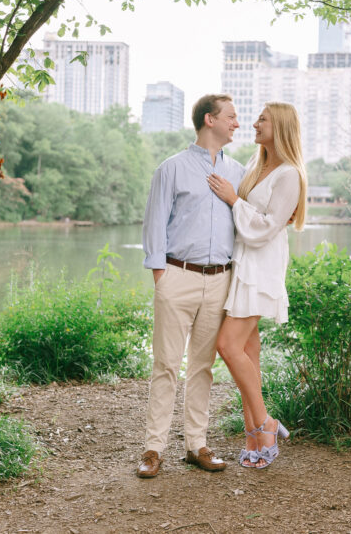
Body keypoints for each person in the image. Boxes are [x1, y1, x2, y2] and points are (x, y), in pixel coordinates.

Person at [137, 94, 246, 479]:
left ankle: (196, 445)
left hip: (220, 279)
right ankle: (153, 449)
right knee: (166, 363)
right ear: (209, 120)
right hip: (176, 277)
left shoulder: (239, 171)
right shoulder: (172, 169)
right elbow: (154, 225)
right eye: (231, 117)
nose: (237, 123)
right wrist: (161, 278)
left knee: (203, 366)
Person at [206, 102, 307, 468]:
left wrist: (234, 199)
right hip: (241, 262)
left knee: (227, 345)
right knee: (248, 351)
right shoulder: (255, 163)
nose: (253, 123)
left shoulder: (290, 174)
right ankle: (254, 436)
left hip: (261, 267)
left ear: (278, 125)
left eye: (261, 119)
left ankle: (266, 422)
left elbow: (265, 228)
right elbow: (246, 217)